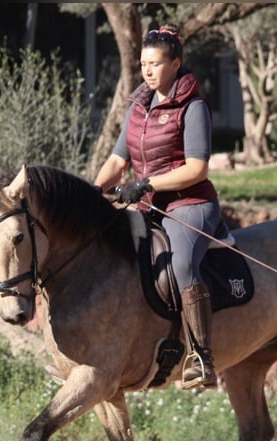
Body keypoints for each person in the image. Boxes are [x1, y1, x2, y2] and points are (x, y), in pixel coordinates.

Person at [94, 24, 223, 388]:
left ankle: (202, 357)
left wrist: (146, 183)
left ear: (175, 64)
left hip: (189, 204)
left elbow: (196, 169)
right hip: (147, 206)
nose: (147, 71)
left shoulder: (193, 106)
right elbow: (118, 159)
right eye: (143, 64)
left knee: (181, 263)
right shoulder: (139, 106)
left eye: (155, 64)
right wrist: (93, 191)